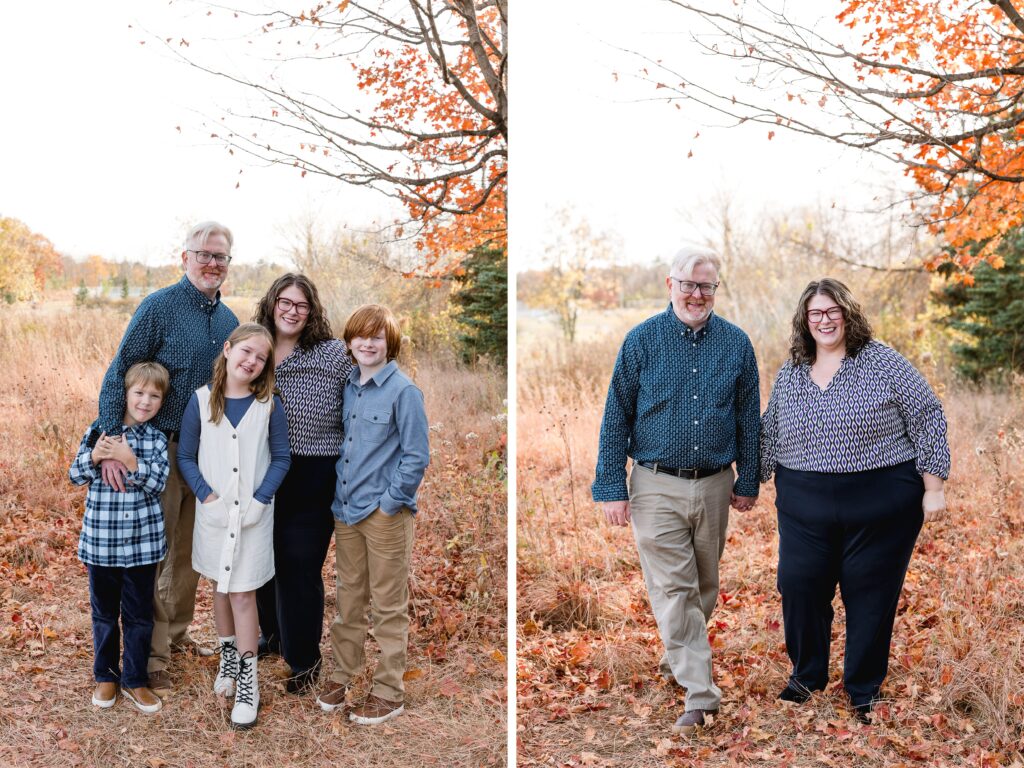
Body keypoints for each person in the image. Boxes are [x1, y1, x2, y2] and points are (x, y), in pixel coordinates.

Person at [760, 277, 950, 721]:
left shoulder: (882, 362)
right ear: (804, 322)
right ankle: (807, 676)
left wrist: (934, 487)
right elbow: (771, 429)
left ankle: (864, 688)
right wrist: (749, 481)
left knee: (869, 594)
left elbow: (927, 415)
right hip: (804, 503)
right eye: (815, 314)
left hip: (882, 503)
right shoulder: (792, 370)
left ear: (847, 314)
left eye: (832, 312)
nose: (824, 321)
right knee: (799, 584)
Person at [592, 247, 760, 736]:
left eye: (706, 286)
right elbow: (615, 416)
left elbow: (749, 418)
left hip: (713, 484)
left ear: (715, 291)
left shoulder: (736, 344)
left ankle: (680, 658)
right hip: (654, 484)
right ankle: (701, 696)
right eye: (688, 283)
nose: (696, 294)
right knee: (674, 588)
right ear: (670, 284)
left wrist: (747, 479)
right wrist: (610, 486)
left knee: (703, 587)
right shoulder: (641, 340)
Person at [94, 221, 239, 694]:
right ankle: (150, 652)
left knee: (191, 552)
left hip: (207, 452)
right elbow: (119, 374)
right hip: (158, 448)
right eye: (204, 254)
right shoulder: (158, 307)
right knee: (156, 551)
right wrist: (114, 444)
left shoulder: (229, 323)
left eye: (220, 257)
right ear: (185, 257)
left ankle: (174, 636)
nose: (212, 263)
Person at [316, 304, 430, 725]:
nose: (368, 343)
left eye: (377, 336)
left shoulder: (404, 392)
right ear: (350, 342)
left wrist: (388, 503)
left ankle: (388, 690)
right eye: (361, 335)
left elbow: (416, 457)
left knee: (387, 604)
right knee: (349, 599)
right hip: (345, 511)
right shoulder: (348, 387)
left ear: (390, 343)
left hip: (384, 516)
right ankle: (342, 674)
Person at [176, 323, 291, 729]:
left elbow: (281, 458)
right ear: (228, 349)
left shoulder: (269, 404)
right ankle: (227, 657)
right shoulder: (202, 401)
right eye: (246, 352)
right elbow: (187, 457)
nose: (252, 361)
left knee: (243, 594)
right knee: (220, 590)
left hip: (253, 518)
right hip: (215, 514)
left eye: (261, 358)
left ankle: (248, 679)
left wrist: (261, 500)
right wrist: (207, 497)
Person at [252, 274, 354, 693]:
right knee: (262, 560)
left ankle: (304, 660)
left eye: (301, 305)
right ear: (272, 303)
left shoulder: (332, 355)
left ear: (312, 311)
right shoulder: (256, 349)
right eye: (285, 302)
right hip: (261, 469)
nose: (292, 311)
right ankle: (273, 636)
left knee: (299, 565)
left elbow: (370, 383)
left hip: (315, 471)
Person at [70, 361, 172, 714]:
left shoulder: (157, 440)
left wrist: (131, 462)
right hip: (102, 543)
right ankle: (106, 676)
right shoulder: (100, 431)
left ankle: (135, 680)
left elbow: (158, 483)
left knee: (140, 616)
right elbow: (74, 474)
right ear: (125, 394)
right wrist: (96, 455)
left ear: (162, 401)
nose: (145, 402)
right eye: (139, 393)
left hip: (142, 545)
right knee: (103, 614)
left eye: (154, 396)